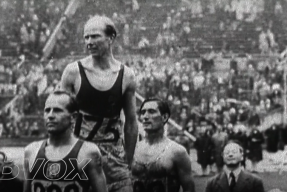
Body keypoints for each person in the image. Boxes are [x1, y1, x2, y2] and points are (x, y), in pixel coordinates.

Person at [60, 15, 138, 192]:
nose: (89, 42)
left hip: (114, 158)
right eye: (86, 37)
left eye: (95, 36)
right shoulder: (73, 72)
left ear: (111, 38)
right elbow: (59, 114)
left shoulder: (126, 75)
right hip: (79, 154)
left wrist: (129, 159)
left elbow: (132, 122)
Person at [23, 91, 107, 192]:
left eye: (57, 110)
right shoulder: (31, 151)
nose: (50, 115)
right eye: (47, 110)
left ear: (73, 117)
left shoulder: (88, 152)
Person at [131, 98, 195, 192]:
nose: (145, 116)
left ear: (164, 117)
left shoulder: (176, 151)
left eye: (151, 112)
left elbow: (189, 189)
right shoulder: (133, 149)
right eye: (143, 112)